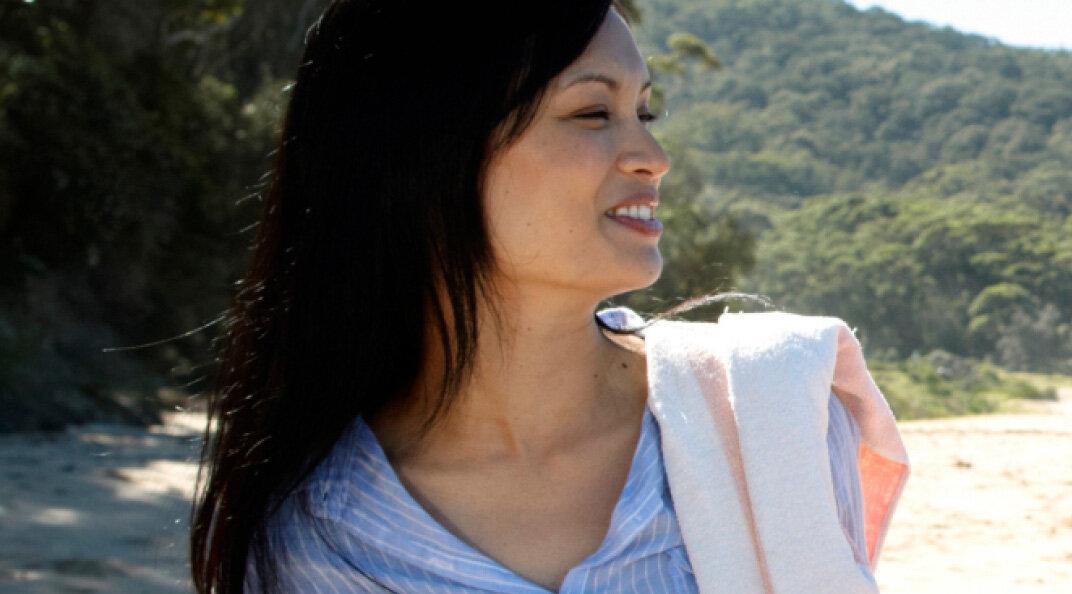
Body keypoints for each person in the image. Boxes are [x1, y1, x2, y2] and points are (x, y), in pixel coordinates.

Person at [188, 2, 906, 592]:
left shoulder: (769, 412)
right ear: (423, 157)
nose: (652, 158)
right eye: (593, 114)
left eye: (643, 112)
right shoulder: (315, 532)